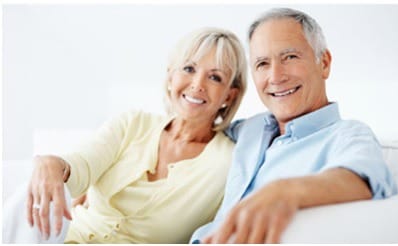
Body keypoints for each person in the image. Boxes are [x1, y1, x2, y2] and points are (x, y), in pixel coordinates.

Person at [3, 27, 247, 243]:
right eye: (188, 69)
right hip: (66, 238)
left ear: (229, 95)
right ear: (171, 76)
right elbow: (83, 166)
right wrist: (52, 164)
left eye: (215, 77)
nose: (197, 84)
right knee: (30, 192)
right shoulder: (133, 123)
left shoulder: (229, 162)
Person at [191, 8, 398, 244]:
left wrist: (285, 191)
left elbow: (364, 180)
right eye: (262, 63)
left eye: (290, 57)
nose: (276, 76)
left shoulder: (348, 133)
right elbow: (205, 129)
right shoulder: (252, 127)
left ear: (324, 63)